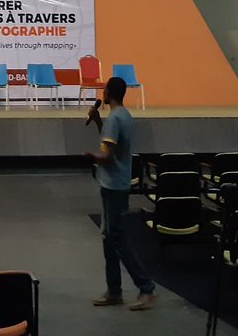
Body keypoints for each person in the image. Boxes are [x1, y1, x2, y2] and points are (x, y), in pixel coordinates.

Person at [85, 76, 155, 311]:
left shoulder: (115, 119)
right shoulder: (123, 115)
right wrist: (98, 121)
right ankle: (114, 290)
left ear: (109, 93)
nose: (102, 93)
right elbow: (110, 143)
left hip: (113, 186)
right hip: (116, 183)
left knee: (118, 238)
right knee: (108, 237)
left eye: (104, 90)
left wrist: (91, 157)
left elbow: (107, 155)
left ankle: (146, 287)